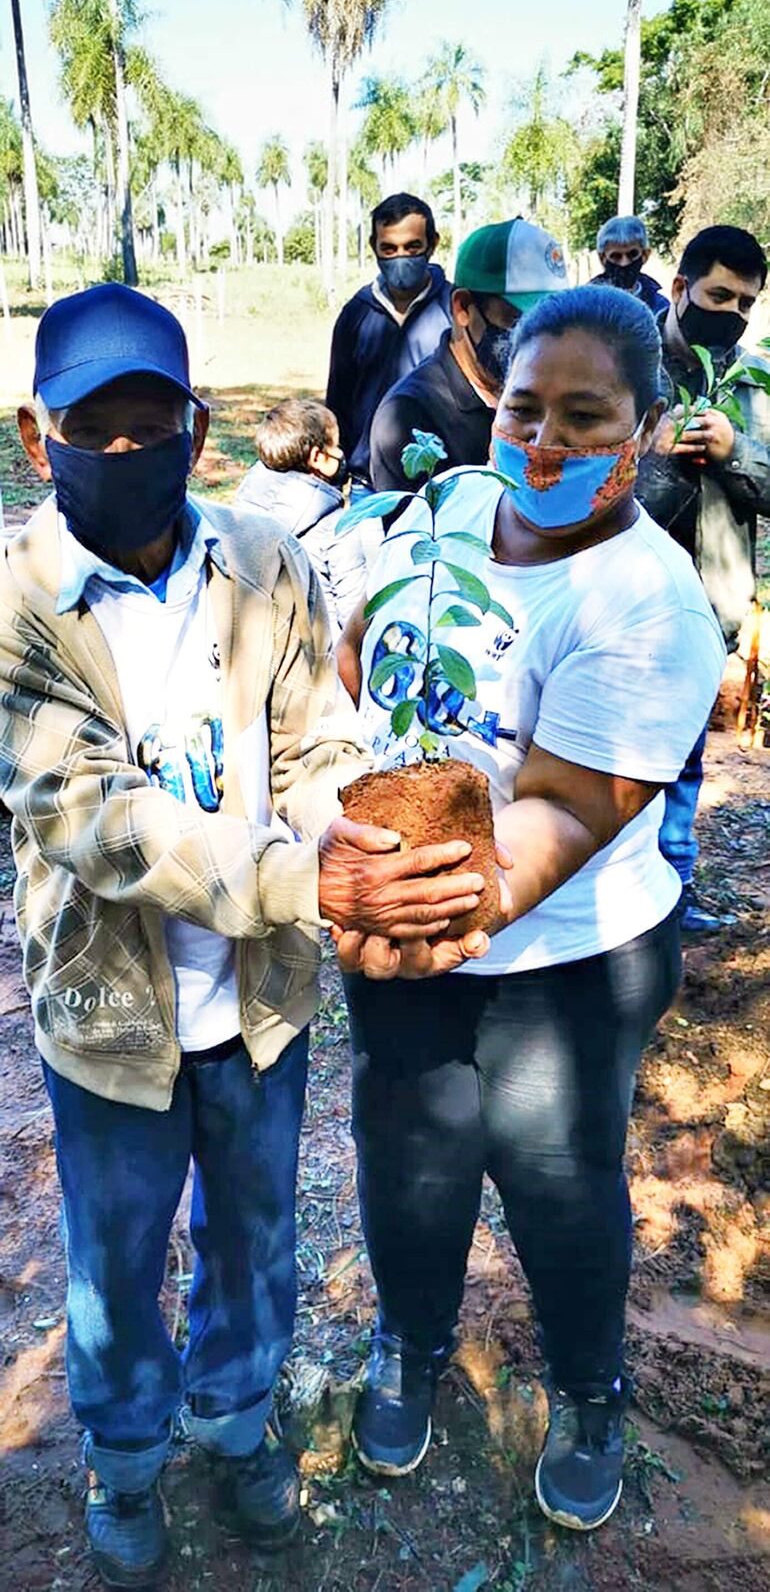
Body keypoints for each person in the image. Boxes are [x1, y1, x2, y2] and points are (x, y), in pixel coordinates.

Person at [0, 283, 486, 1590]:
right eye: (88, 428)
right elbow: (94, 816)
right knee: (112, 1258)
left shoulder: (265, 564)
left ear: (196, 427)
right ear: (39, 442)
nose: (120, 451)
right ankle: (123, 1454)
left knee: (254, 1234)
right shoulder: (24, 601)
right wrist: (303, 880)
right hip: (112, 1019)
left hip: (257, 1004)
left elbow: (315, 743)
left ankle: (233, 1419)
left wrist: (359, 830)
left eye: (146, 421)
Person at [335, 287, 725, 1533]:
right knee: (409, 1156)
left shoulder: (649, 606)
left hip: (564, 954)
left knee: (556, 1180)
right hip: (406, 915)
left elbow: (559, 809)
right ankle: (407, 1346)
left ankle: (591, 1388)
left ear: (645, 431)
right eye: (522, 409)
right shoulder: (445, 506)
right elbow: (359, 645)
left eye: (583, 416)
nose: (543, 443)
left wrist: (425, 907)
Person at [637, 224, 770, 933]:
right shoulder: (628, 358)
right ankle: (618, 905)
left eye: (747, 303)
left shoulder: (751, 379)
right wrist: (649, 452)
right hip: (622, 608)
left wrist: (734, 449)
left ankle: (675, 896)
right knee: (615, 760)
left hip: (706, 607)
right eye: (721, 295)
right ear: (682, 287)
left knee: (684, 763)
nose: (734, 314)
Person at [370, 217, 567, 493]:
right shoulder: (410, 417)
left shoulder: (549, 391)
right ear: (463, 308)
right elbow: (424, 531)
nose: (537, 340)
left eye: (549, 322)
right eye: (518, 321)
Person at [326, 192, 451, 488]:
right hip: (368, 484)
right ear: (374, 247)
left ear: (433, 244)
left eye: (412, 247)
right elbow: (339, 398)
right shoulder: (355, 314)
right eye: (389, 249)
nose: (400, 258)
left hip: (441, 482)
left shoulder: (455, 309)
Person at [235, 398, 366, 636]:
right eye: (336, 445)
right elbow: (354, 613)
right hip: (319, 655)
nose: (340, 453)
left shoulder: (243, 502)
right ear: (317, 458)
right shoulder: (338, 527)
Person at [591, 215, 669, 315]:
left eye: (632, 254)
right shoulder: (587, 304)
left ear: (645, 255)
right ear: (602, 258)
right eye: (616, 256)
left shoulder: (660, 307)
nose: (624, 263)